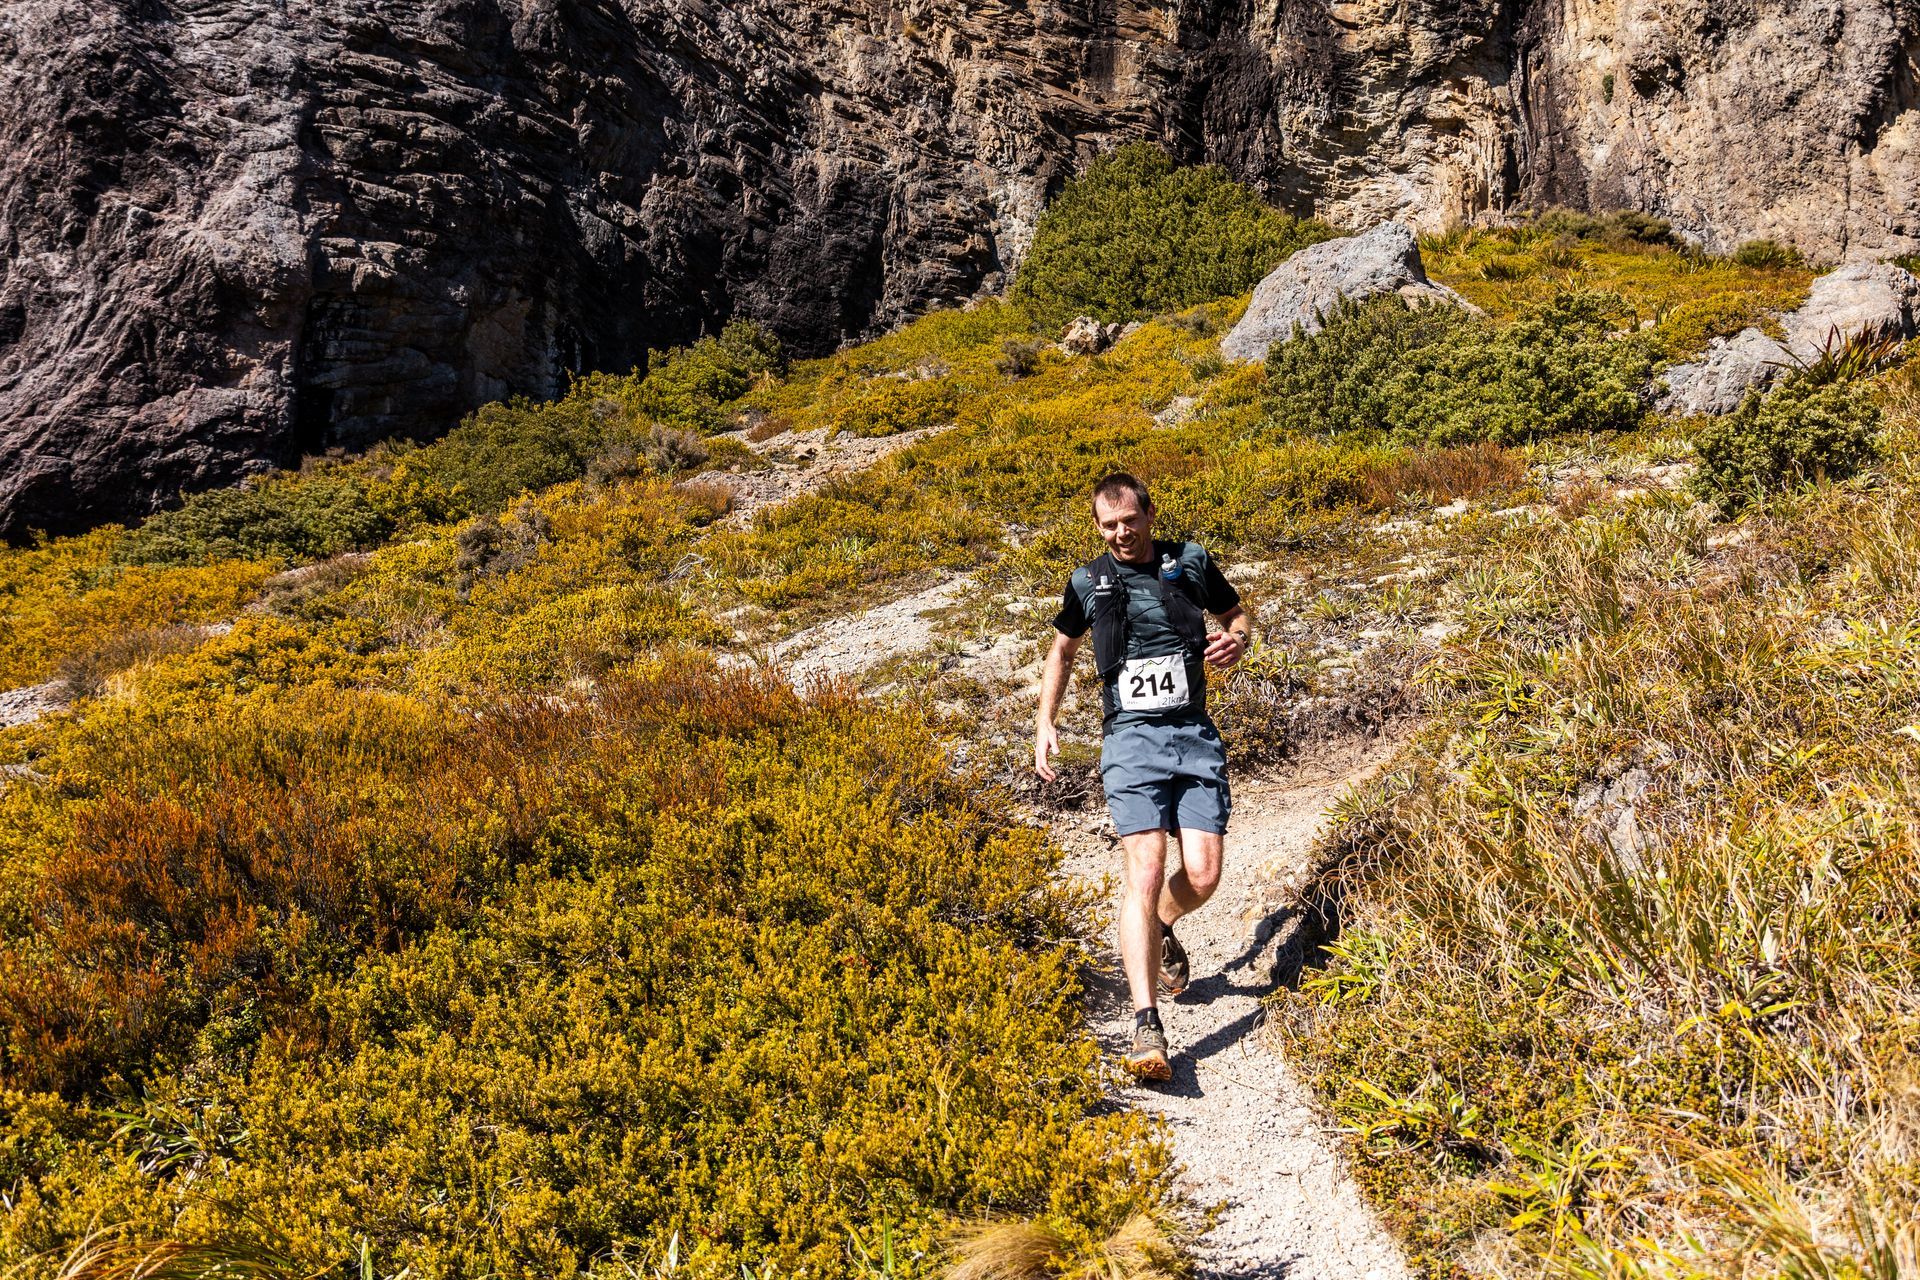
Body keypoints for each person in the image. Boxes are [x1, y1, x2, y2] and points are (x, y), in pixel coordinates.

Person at [1033, 471, 1250, 1081]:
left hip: (1193, 735)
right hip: (1129, 742)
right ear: (1098, 526)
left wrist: (1237, 640)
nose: (1121, 533)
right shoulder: (1087, 583)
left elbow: (1236, 614)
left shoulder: (1191, 563)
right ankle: (1145, 1023)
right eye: (1109, 525)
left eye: (1130, 520)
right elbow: (1062, 650)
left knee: (1203, 875)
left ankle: (1157, 926)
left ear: (1149, 515)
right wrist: (1046, 721)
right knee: (1147, 870)